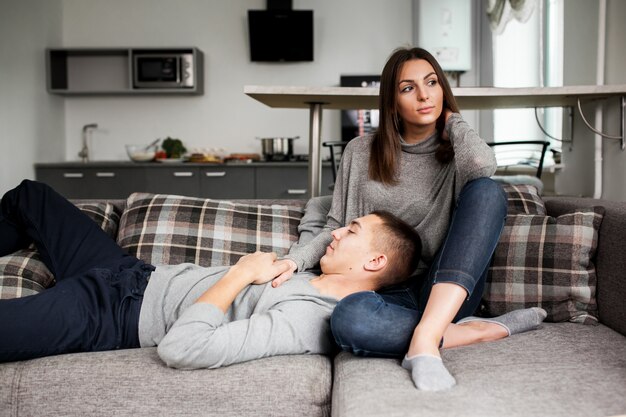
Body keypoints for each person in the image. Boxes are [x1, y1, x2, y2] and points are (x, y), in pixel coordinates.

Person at [271, 47, 540, 391]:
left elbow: (483, 167)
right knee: (348, 321)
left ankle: (426, 340)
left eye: (432, 83)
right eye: (408, 88)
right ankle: (473, 330)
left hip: (445, 286)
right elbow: (335, 223)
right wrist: (295, 261)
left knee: (487, 191)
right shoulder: (360, 152)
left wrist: (452, 120)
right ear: (392, 101)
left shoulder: (458, 154)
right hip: (383, 293)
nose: (425, 95)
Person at [0, 179, 423, 366]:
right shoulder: (310, 268)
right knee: (29, 196)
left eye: (352, 231)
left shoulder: (310, 319)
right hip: (127, 272)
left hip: (110, 314)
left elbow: (183, 348)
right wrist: (296, 259)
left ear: (375, 262)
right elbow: (317, 205)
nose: (337, 234)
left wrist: (239, 274)